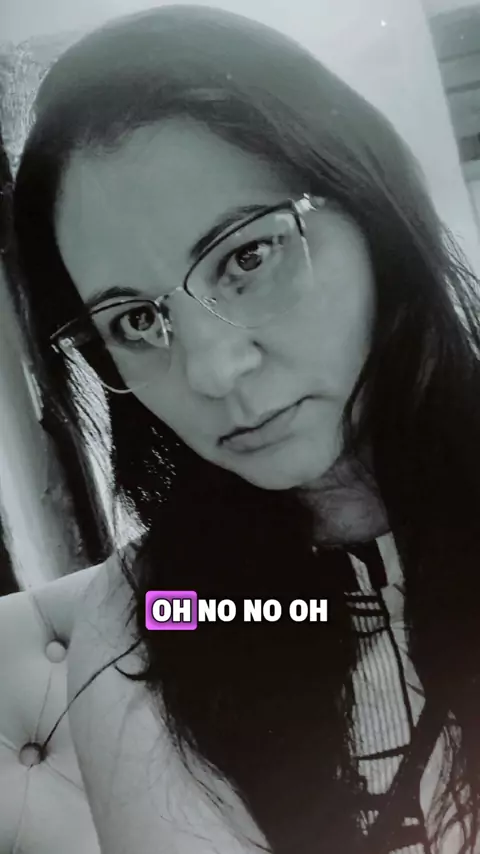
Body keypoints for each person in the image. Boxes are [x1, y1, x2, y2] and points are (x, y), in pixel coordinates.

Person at [11, 5, 480, 853]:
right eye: (136, 321)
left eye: (248, 256)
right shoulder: (155, 614)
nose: (210, 370)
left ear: (369, 207)